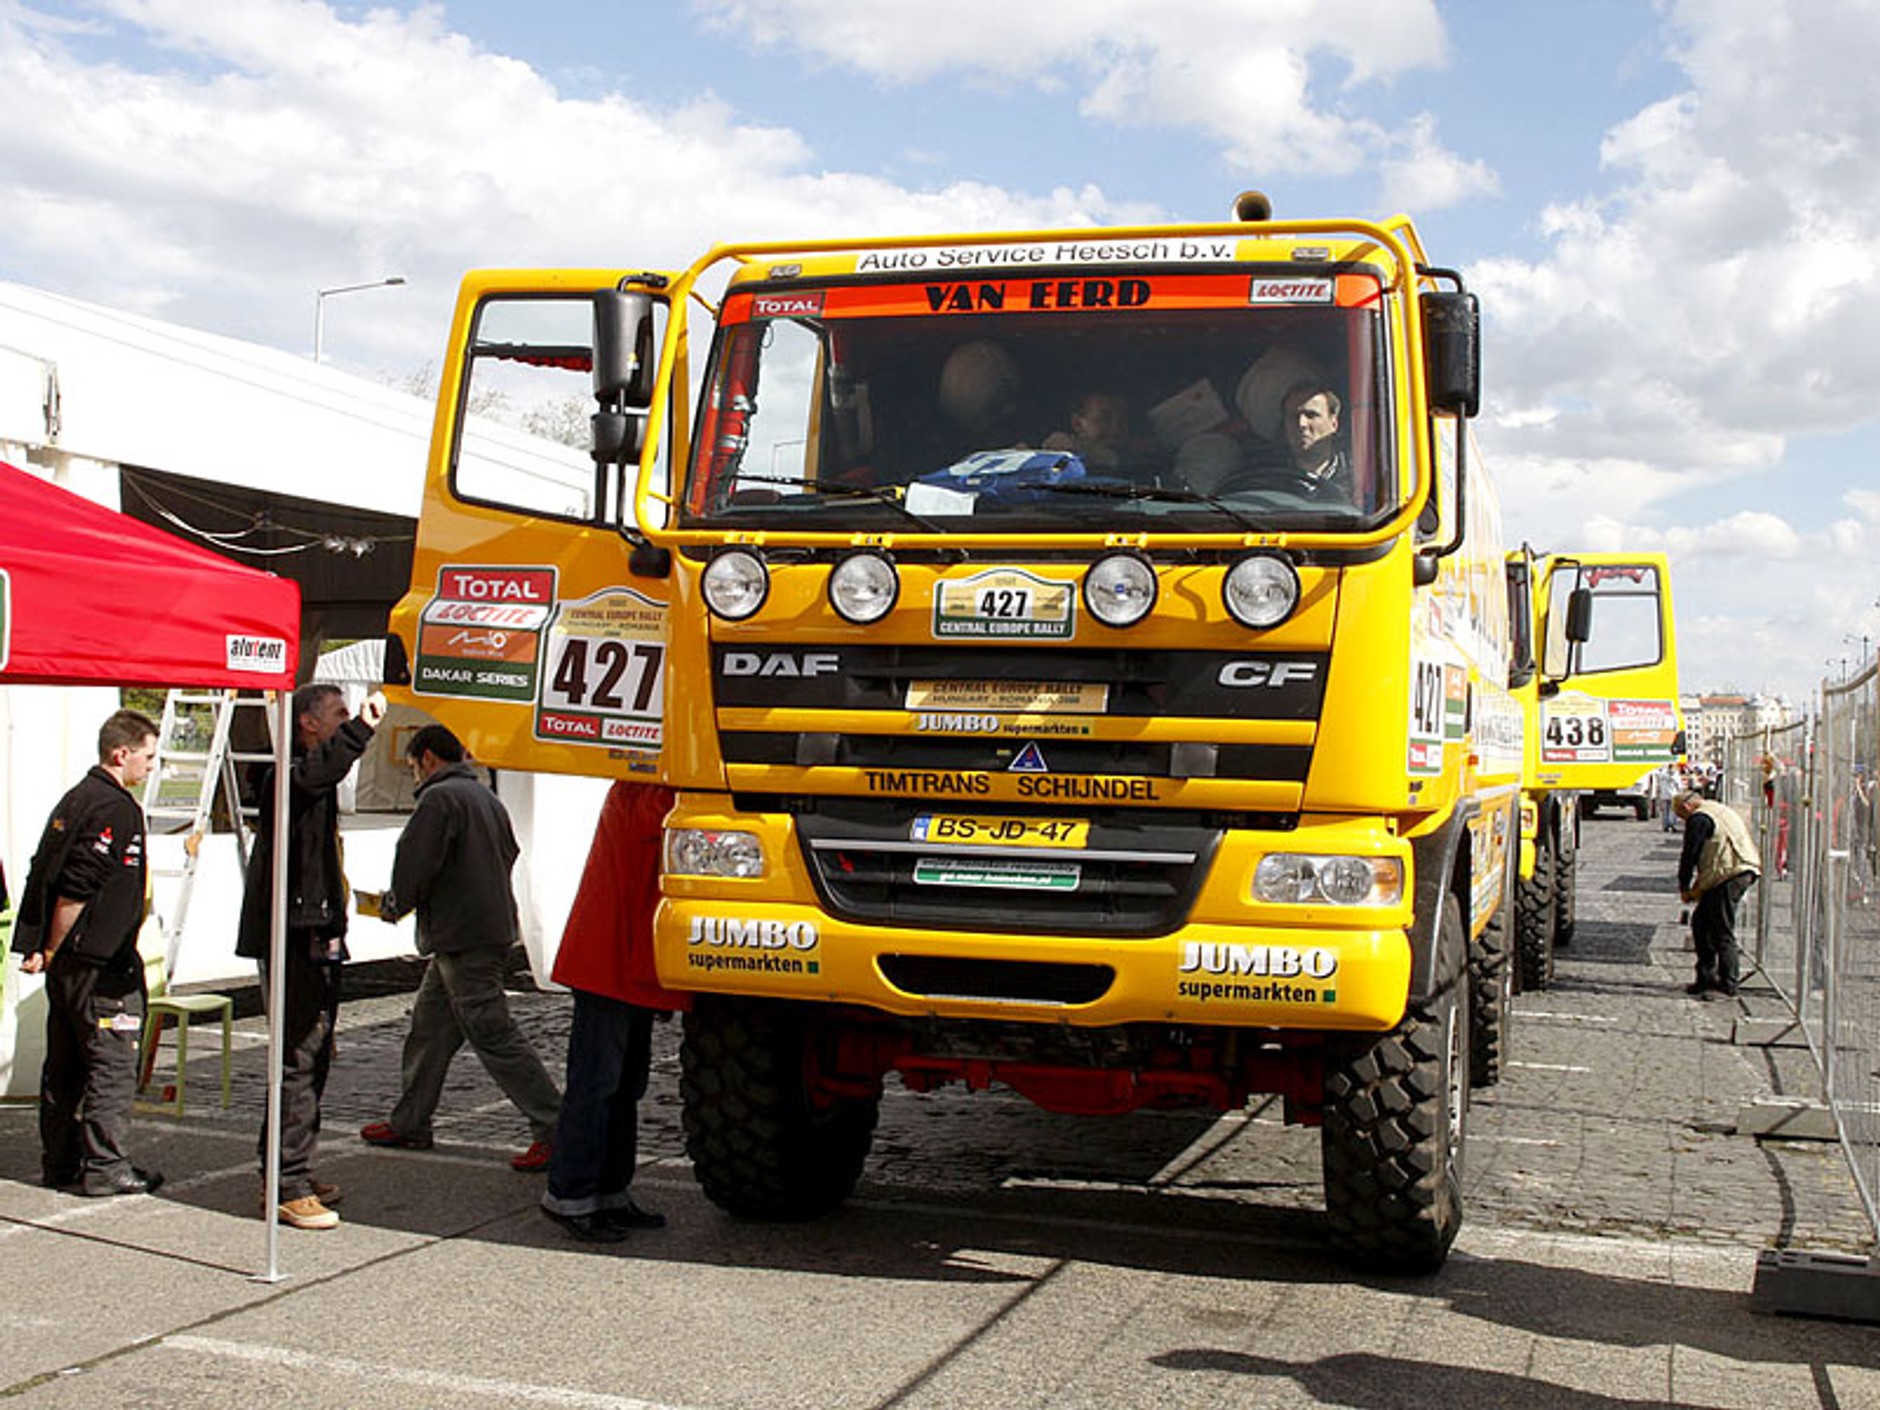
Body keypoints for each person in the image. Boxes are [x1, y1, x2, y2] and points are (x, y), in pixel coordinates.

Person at [360, 725, 561, 1169]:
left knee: (493, 1034)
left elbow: (414, 864)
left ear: (428, 758)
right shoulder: (484, 796)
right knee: (429, 1030)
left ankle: (555, 1128)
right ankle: (410, 1121)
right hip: (477, 931)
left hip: (463, 937)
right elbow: (508, 852)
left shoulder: (440, 798)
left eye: (413, 766)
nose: (414, 775)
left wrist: (394, 904)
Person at [237, 682, 384, 1231]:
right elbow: (315, 775)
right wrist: (362, 728)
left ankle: (287, 1167)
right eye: (337, 713)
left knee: (314, 1054)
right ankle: (286, 1183)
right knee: (298, 1056)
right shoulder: (286, 772)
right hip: (292, 932)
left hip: (317, 928)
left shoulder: (310, 773)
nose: (346, 719)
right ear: (308, 723)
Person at [11, 709, 163, 1197]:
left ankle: (60, 1162)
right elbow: (73, 888)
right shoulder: (113, 807)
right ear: (121, 754)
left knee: (66, 1065)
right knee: (111, 1064)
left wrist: (37, 945)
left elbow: (43, 873)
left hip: (73, 965)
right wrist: (50, 946)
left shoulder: (76, 798)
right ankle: (105, 1167)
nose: (151, 766)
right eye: (147, 756)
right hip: (99, 967)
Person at [541, 779, 682, 1242]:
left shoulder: (642, 790)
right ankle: (572, 1193)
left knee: (622, 1085)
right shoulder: (644, 792)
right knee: (598, 1083)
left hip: (620, 964)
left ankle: (608, 1192)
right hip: (610, 964)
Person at [1675, 788, 1762, 999]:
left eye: (1681, 815)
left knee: (1721, 929)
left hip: (1729, 873)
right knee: (1701, 923)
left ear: (1687, 806)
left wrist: (1684, 886)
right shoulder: (1718, 809)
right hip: (1737, 870)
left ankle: (1728, 982)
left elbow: (1690, 854)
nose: (1684, 821)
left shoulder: (1699, 818)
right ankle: (1706, 977)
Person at [1043, 390, 1132, 472]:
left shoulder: (1136, 463)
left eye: (1123, 420)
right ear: (1077, 424)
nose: (1116, 430)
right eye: (1104, 419)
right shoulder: (1064, 461)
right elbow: (1053, 473)